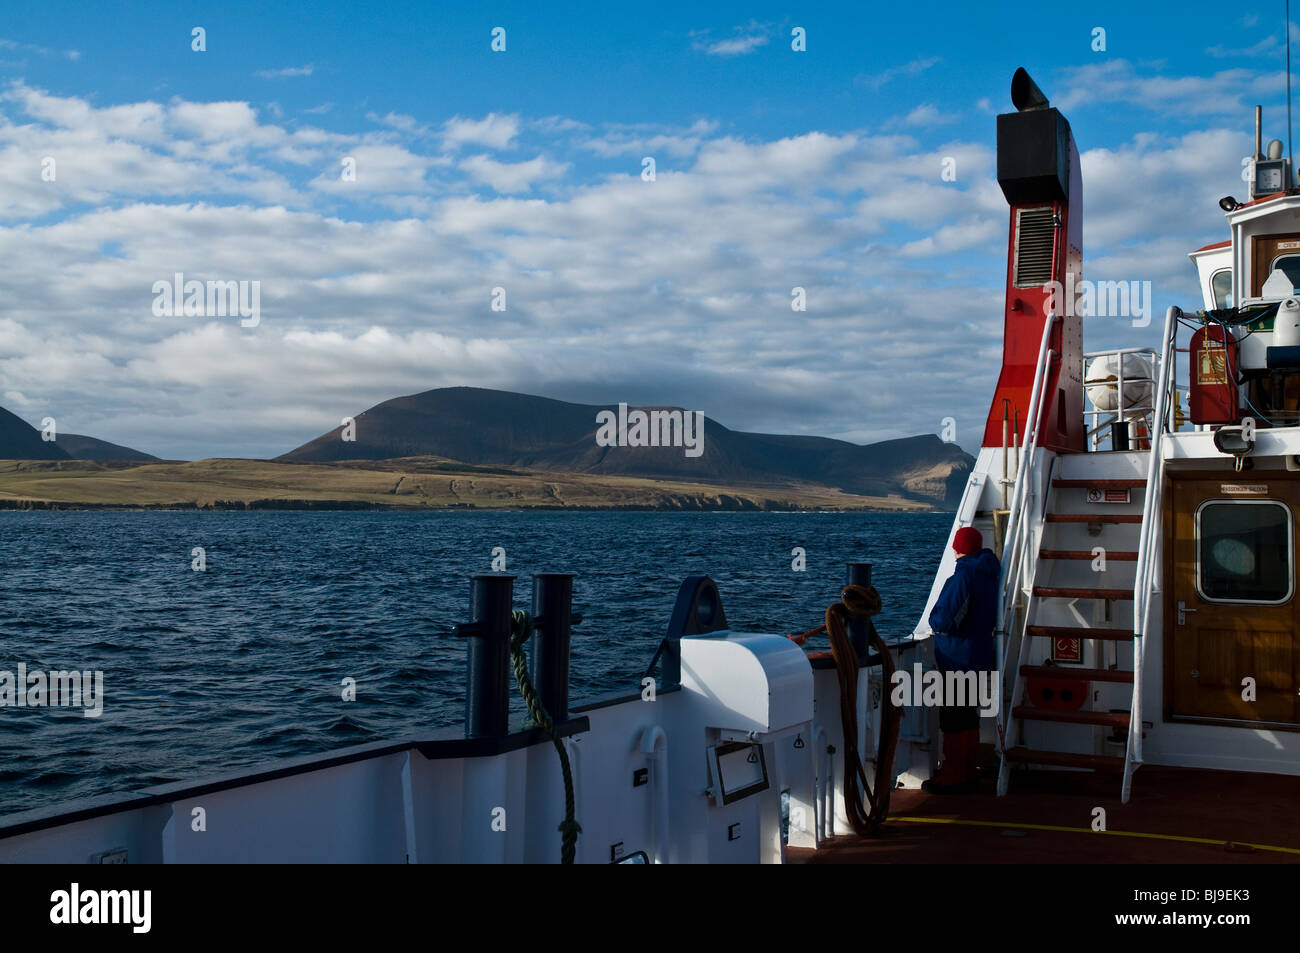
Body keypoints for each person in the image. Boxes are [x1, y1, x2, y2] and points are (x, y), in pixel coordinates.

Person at [922, 526, 1000, 795]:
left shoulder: (964, 576)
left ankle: (954, 775)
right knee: (968, 714)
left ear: (958, 548)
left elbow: (945, 620)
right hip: (979, 654)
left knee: (954, 716)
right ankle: (967, 771)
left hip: (958, 656)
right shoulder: (989, 574)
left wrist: (934, 620)